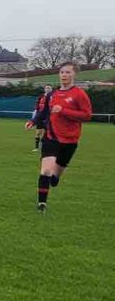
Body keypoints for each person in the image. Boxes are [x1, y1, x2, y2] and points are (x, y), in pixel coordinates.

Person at [36, 63, 92, 213]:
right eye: (62, 72)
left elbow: (87, 115)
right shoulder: (52, 94)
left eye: (68, 72)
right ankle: (42, 204)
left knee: (55, 175)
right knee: (46, 171)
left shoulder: (79, 94)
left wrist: (63, 111)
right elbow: (44, 112)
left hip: (70, 140)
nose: (64, 75)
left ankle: (56, 177)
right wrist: (33, 121)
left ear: (74, 74)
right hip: (51, 137)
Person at [27, 85, 52, 151]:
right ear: (44, 89)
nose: (47, 89)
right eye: (46, 88)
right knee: (38, 133)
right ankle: (36, 147)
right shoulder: (41, 96)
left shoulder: (52, 97)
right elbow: (37, 106)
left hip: (48, 117)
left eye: (49, 88)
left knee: (46, 133)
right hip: (40, 116)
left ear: (51, 89)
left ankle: (45, 147)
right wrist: (36, 112)